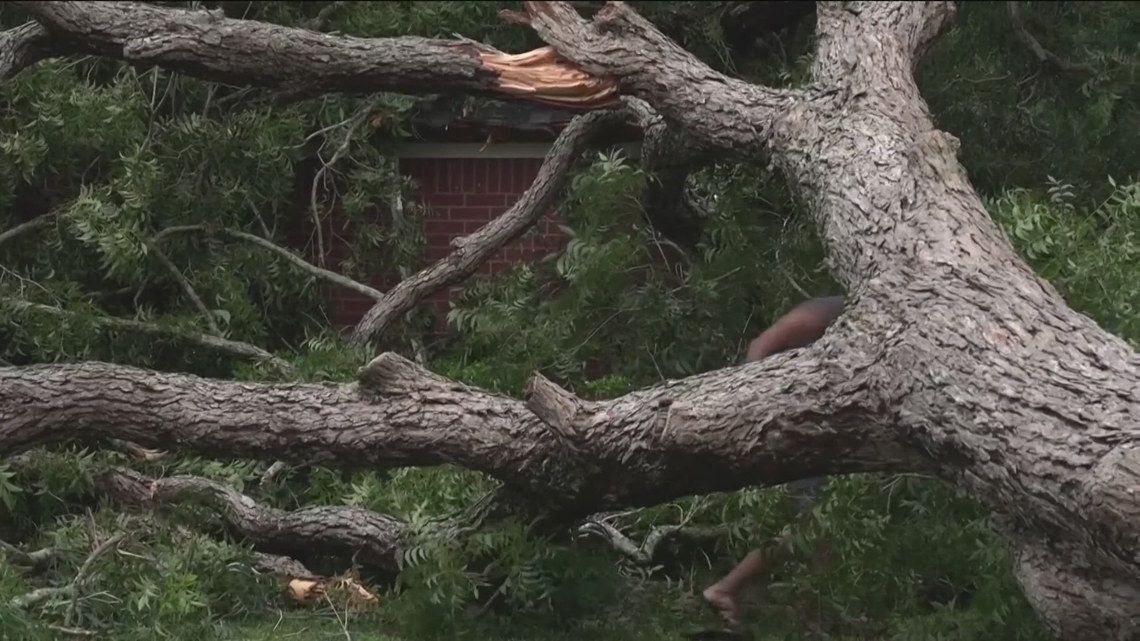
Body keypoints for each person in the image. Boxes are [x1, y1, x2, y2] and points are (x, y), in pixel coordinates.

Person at [701, 296, 845, 630]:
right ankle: (726, 589)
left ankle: (815, 615)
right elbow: (761, 345)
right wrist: (758, 405)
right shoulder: (834, 310)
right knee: (817, 520)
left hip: (811, 424)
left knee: (827, 520)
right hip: (777, 417)